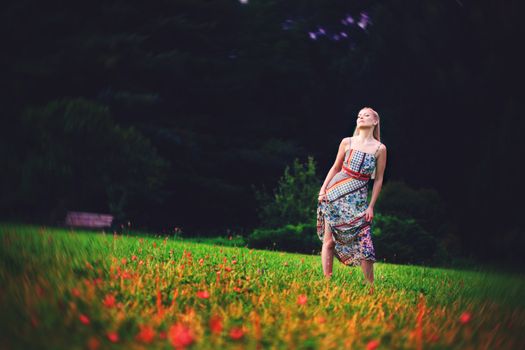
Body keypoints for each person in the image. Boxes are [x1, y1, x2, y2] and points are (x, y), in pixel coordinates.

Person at [316, 107, 387, 288]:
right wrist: (323, 189)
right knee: (329, 241)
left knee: (365, 239)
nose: (361, 117)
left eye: (366, 115)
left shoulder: (380, 149)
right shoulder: (347, 142)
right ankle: (327, 282)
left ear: (375, 121)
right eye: (359, 116)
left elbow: (378, 180)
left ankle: (370, 286)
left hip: (359, 200)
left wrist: (371, 206)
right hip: (335, 193)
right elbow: (335, 168)